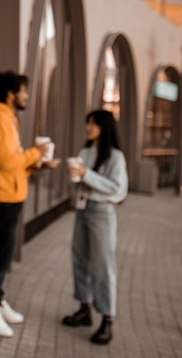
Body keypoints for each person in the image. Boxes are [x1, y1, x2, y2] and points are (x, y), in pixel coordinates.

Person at [0, 70, 59, 338]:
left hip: (7, 197)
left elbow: (11, 165)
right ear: (11, 93)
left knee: (4, 255)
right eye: (23, 91)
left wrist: (37, 167)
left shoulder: (6, 118)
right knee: (0, 256)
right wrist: (38, 153)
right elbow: (7, 161)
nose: (26, 96)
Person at [62, 109, 128, 345]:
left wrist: (86, 175)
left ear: (104, 127)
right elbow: (81, 181)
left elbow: (118, 188)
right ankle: (84, 308)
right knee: (79, 259)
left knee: (103, 265)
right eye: (87, 123)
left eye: (93, 124)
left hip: (102, 213)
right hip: (82, 209)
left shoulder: (115, 156)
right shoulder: (85, 151)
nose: (88, 128)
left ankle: (108, 319)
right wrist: (77, 178)